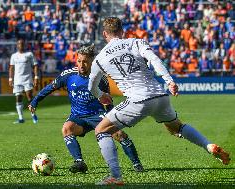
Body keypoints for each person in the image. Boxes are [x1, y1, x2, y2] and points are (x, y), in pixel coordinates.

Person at [88, 17, 230, 185]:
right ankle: (208, 145)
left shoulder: (100, 58)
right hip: (160, 96)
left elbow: (91, 85)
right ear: (122, 31)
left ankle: (115, 176)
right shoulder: (136, 42)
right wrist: (169, 81)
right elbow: (155, 60)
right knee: (176, 127)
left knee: (101, 130)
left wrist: (100, 95)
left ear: (105, 34)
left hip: (138, 99)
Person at [28, 44, 143, 173]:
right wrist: (35, 101)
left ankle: (137, 163)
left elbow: (108, 101)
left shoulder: (101, 79)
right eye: (79, 61)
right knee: (67, 128)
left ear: (92, 62)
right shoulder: (68, 75)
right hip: (78, 117)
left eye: (85, 62)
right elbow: (50, 88)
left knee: (119, 134)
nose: (81, 65)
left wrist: (112, 118)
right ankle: (79, 162)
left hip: (97, 115)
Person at [9, 39, 39, 124]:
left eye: (22, 44)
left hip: (27, 79)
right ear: (17, 45)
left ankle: (33, 114)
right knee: (18, 97)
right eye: (19, 44)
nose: (20, 45)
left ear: (24, 45)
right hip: (17, 80)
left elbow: (35, 66)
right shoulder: (14, 56)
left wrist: (36, 77)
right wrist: (10, 79)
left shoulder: (29, 54)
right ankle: (21, 118)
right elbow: (11, 67)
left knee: (29, 97)